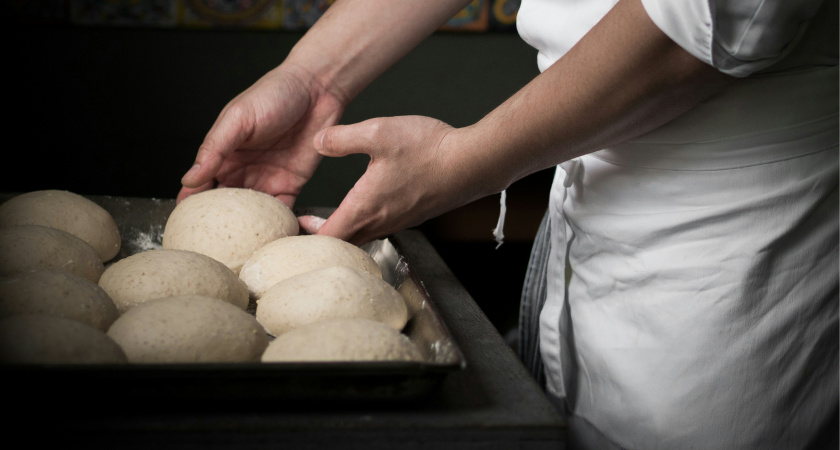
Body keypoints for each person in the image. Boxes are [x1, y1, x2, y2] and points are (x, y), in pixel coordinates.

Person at [178, 0, 839, 448]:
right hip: (582, 179)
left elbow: (706, 21)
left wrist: (461, 163)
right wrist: (314, 77)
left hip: (729, 237)